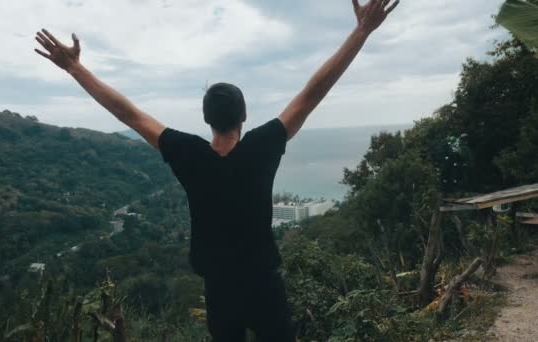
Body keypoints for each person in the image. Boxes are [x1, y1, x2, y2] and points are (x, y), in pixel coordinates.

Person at [34, 0, 398, 340]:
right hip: (264, 286)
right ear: (244, 115)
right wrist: (361, 32)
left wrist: (75, 68)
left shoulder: (187, 154)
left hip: (219, 290)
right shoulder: (262, 148)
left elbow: (127, 113)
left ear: (206, 119)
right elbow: (313, 93)